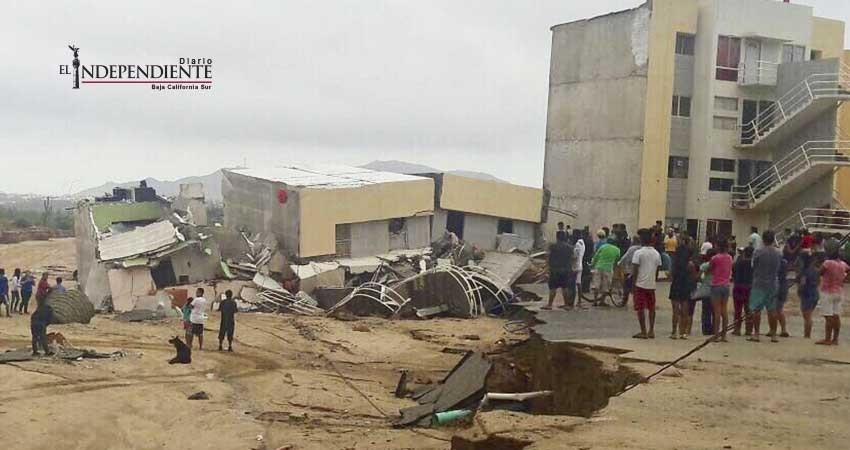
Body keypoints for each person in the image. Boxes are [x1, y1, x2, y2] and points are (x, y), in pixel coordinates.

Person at [748, 230, 782, 343]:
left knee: (757, 309)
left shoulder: (758, 251)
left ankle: (756, 333)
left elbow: (753, 265)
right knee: (772, 310)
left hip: (759, 282)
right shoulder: (778, 253)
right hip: (773, 282)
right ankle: (773, 334)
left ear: (763, 239)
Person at [632, 229, 662, 339]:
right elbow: (657, 270)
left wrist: (633, 285)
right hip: (651, 284)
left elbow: (635, 270)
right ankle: (651, 330)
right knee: (651, 308)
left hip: (640, 284)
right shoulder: (656, 253)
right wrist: (654, 280)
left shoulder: (638, 253)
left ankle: (643, 331)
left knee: (640, 308)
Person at [816, 252, 849, 346]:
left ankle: (827, 339)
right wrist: (843, 279)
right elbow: (848, 273)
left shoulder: (828, 263)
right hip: (839, 291)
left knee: (828, 316)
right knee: (836, 315)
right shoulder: (843, 264)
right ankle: (835, 339)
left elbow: (819, 272)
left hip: (827, 291)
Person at [669, 237, 696, 339]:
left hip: (676, 285)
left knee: (675, 310)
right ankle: (683, 332)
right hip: (686, 285)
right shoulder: (690, 265)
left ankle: (673, 332)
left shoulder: (675, 264)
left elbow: (671, 276)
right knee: (685, 309)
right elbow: (693, 277)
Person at [709, 239, 733, 342]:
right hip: (726, 285)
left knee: (717, 311)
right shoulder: (730, 257)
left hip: (716, 285)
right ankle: (724, 335)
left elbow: (710, 269)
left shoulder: (715, 258)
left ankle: (716, 334)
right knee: (724, 310)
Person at [543, 232, 574, 310]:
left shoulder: (552, 246)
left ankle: (549, 305)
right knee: (565, 287)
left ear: (557, 237)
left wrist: (547, 267)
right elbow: (573, 258)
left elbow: (547, 256)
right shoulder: (570, 247)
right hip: (566, 270)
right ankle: (566, 304)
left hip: (554, 270)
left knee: (552, 288)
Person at [732, 247, 754, 336]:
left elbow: (733, 273)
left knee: (738, 309)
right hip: (749, 287)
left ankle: (737, 329)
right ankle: (748, 330)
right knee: (748, 309)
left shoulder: (738, 263)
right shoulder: (754, 264)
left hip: (738, 286)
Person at [797, 253, 819, 339]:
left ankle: (807, 335)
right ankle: (807, 334)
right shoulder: (815, 270)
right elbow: (818, 282)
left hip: (807, 294)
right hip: (815, 292)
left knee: (807, 317)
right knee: (809, 315)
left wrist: (799, 291)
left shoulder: (804, 271)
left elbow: (803, 283)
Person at [618, 236, 641, 307]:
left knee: (626, 287)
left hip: (629, 270)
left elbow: (625, 257)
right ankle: (637, 302)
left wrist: (619, 263)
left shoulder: (632, 248)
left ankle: (624, 301)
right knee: (637, 288)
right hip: (639, 271)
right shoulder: (641, 248)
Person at [698, 250, 715, 336]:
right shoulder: (717, 264)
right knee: (715, 310)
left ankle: (706, 329)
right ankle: (715, 328)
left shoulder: (705, 265)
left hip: (706, 288)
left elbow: (698, 276)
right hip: (716, 288)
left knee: (705, 311)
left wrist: (703, 281)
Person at [772, 258, 790, 338]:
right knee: (779, 309)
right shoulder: (784, 262)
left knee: (775, 310)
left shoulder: (776, 266)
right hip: (783, 288)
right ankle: (783, 329)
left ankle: (773, 330)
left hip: (777, 287)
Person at [572, 230, 586, 308]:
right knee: (578, 283)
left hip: (575, 266)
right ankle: (579, 300)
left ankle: (572, 301)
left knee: (573, 284)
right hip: (580, 265)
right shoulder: (582, 243)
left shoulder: (577, 244)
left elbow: (575, 256)